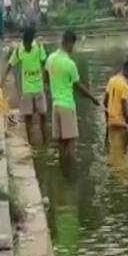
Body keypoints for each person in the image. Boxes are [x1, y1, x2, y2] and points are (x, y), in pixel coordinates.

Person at [45, 31, 99, 160]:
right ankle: (71, 172)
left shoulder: (51, 58)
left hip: (55, 105)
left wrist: (52, 86)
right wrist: (92, 98)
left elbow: (45, 76)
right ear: (69, 43)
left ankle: (63, 173)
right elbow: (78, 86)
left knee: (61, 144)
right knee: (70, 144)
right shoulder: (70, 64)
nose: (73, 48)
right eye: (73, 45)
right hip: (67, 106)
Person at [1, 27, 47, 142]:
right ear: (23, 41)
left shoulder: (39, 47)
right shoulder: (18, 50)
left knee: (43, 117)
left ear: (32, 41)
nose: (27, 46)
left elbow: (45, 65)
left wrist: (46, 83)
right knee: (28, 118)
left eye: (29, 44)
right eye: (25, 43)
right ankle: (31, 143)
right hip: (26, 90)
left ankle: (45, 142)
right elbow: (10, 65)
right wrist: (2, 80)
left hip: (39, 88)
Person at [104, 60, 128, 140]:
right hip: (121, 122)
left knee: (113, 149)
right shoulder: (124, 85)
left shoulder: (111, 80)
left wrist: (107, 118)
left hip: (111, 122)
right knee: (122, 149)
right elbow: (123, 104)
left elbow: (105, 101)